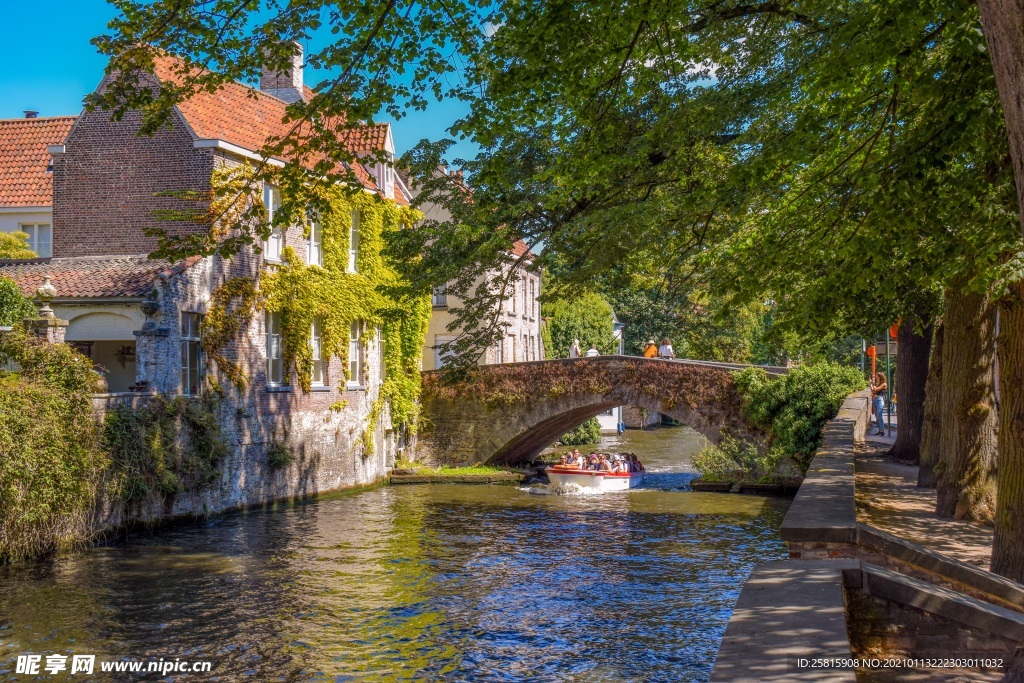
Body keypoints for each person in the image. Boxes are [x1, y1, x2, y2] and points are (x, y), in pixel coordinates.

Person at [870, 371, 888, 436]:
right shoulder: (878, 383)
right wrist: (871, 384)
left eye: (877, 376)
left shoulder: (884, 384)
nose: (876, 377)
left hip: (879, 400)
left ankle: (882, 431)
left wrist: (873, 384)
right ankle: (880, 430)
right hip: (875, 400)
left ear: (880, 376)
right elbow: (873, 390)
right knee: (877, 416)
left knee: (879, 416)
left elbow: (876, 389)